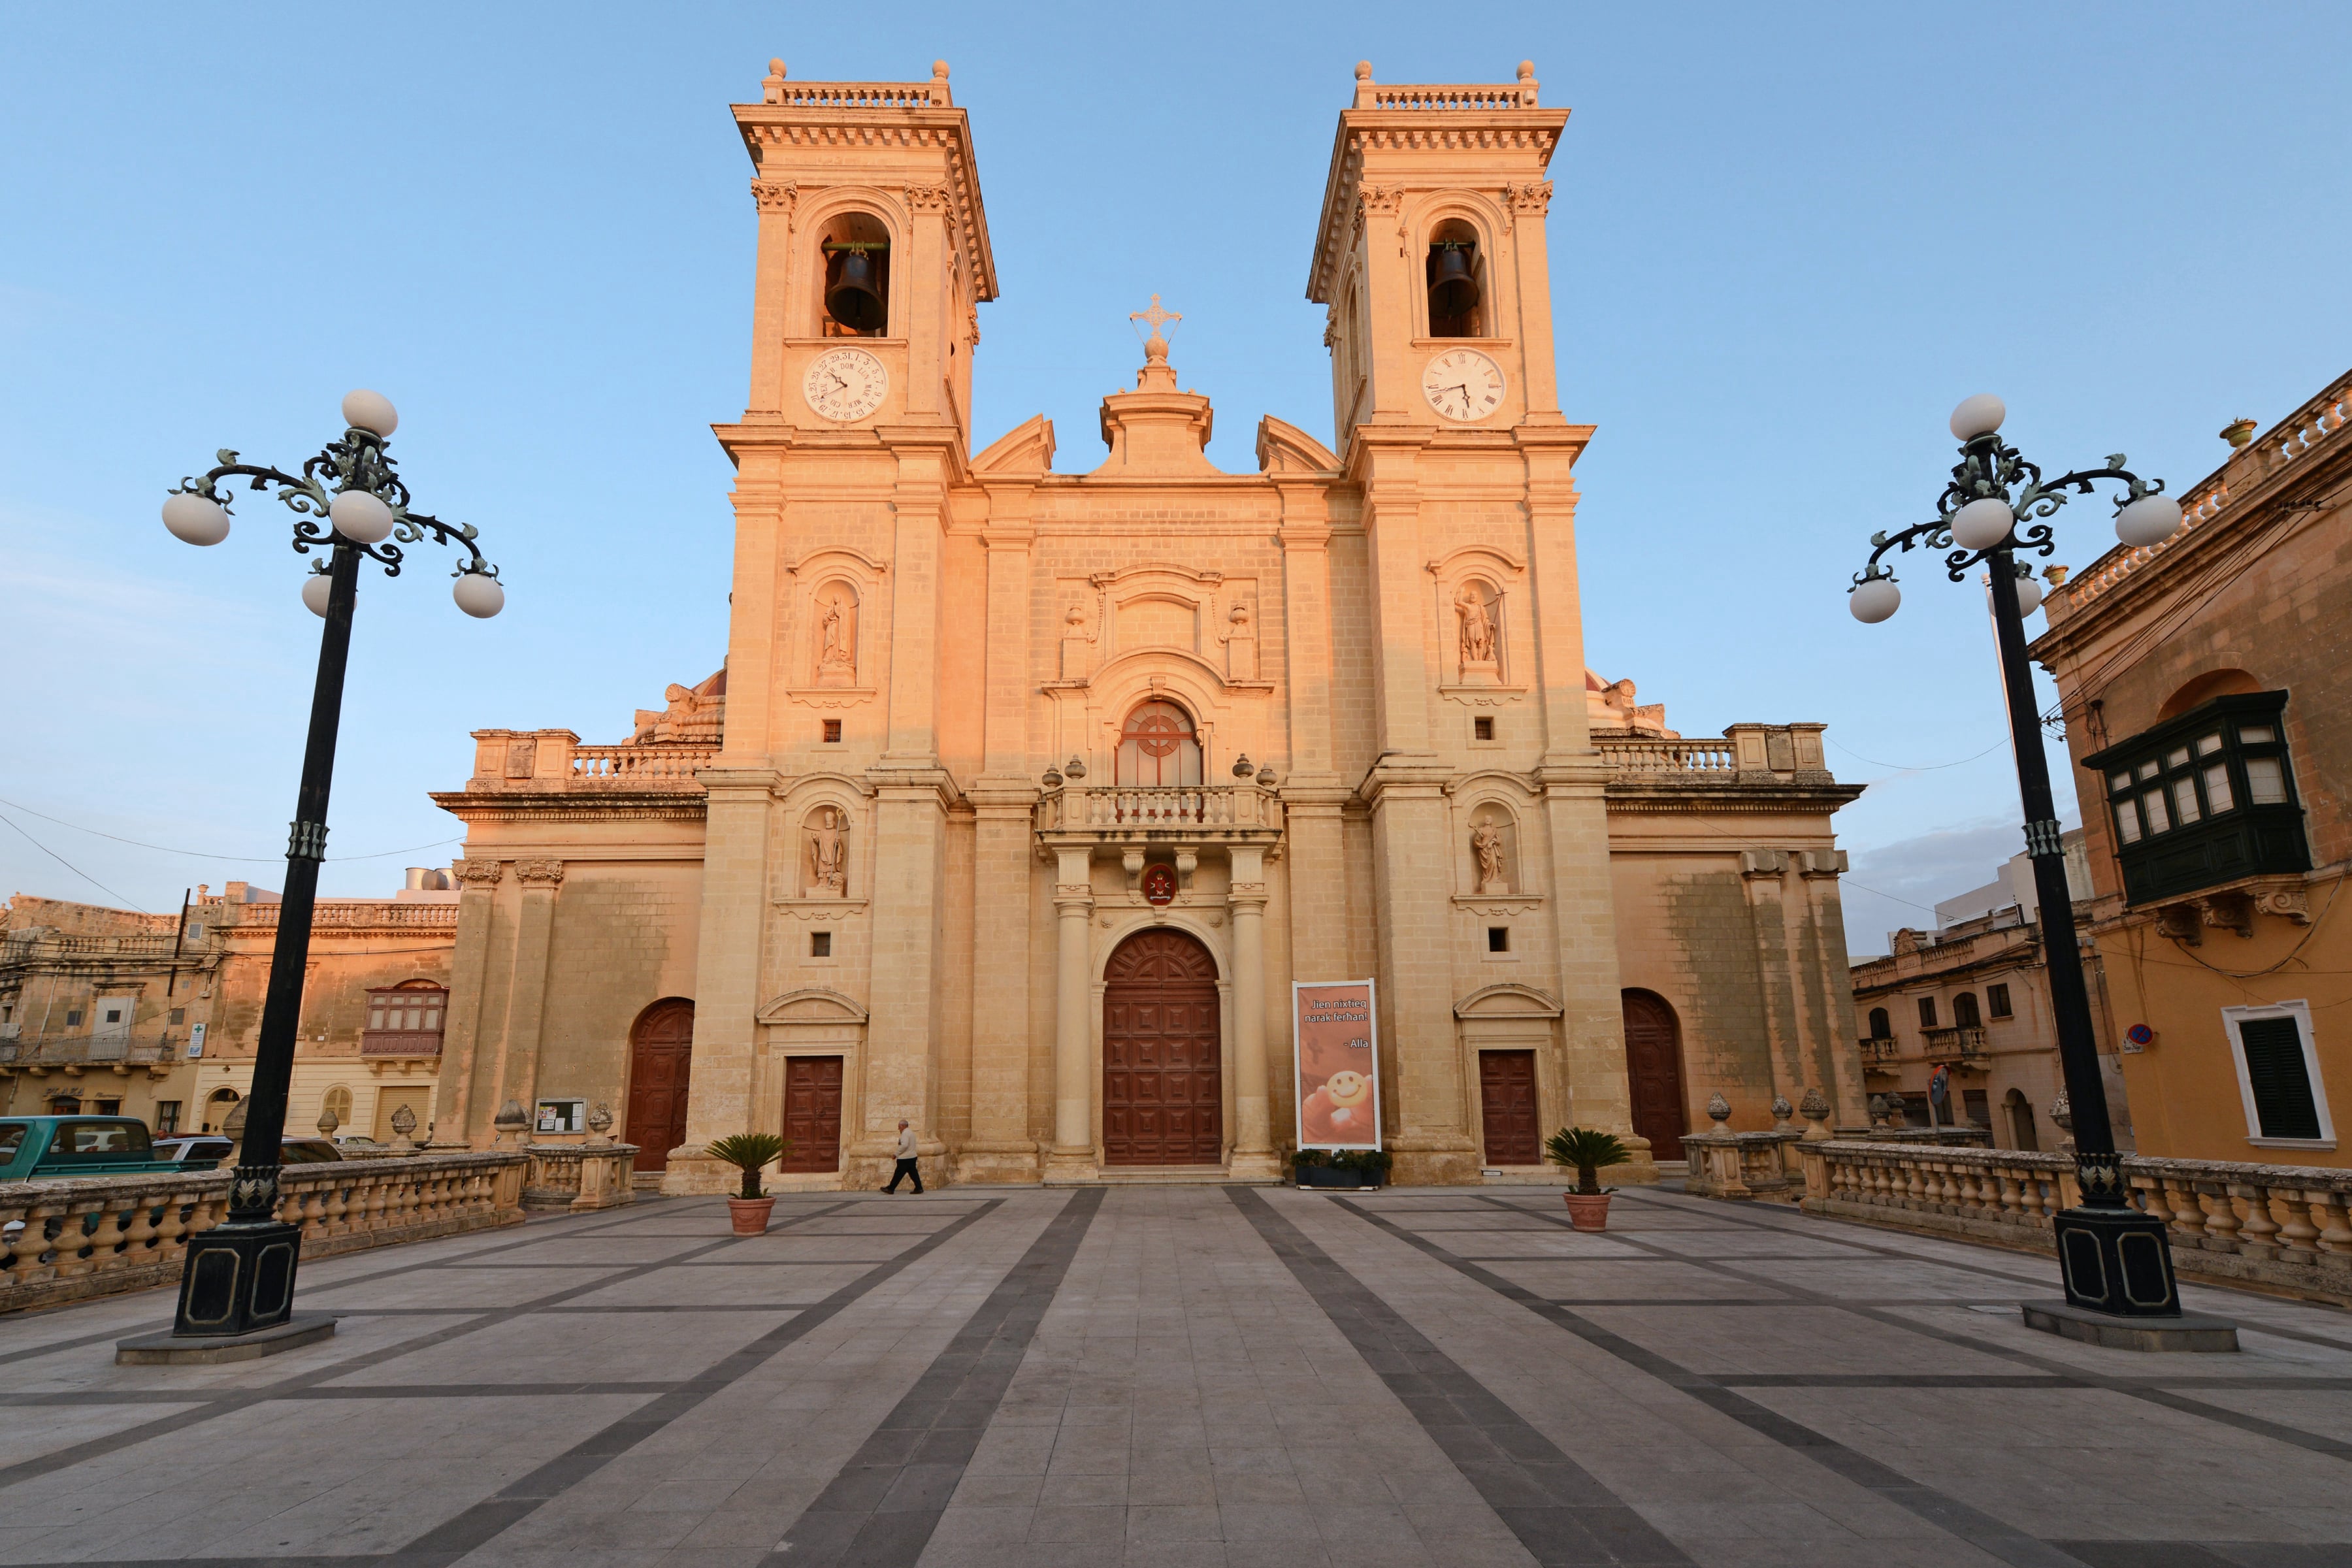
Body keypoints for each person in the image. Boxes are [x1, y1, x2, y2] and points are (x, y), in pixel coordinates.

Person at [881, 1119, 923, 1194]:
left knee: (898, 1174)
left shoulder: (905, 1134)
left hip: (905, 1158)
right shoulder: (911, 1133)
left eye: (899, 1127)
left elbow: (904, 1145)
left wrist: (896, 1154)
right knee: (913, 1173)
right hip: (912, 1156)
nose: (899, 1129)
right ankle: (919, 1188)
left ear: (903, 1126)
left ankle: (891, 1188)